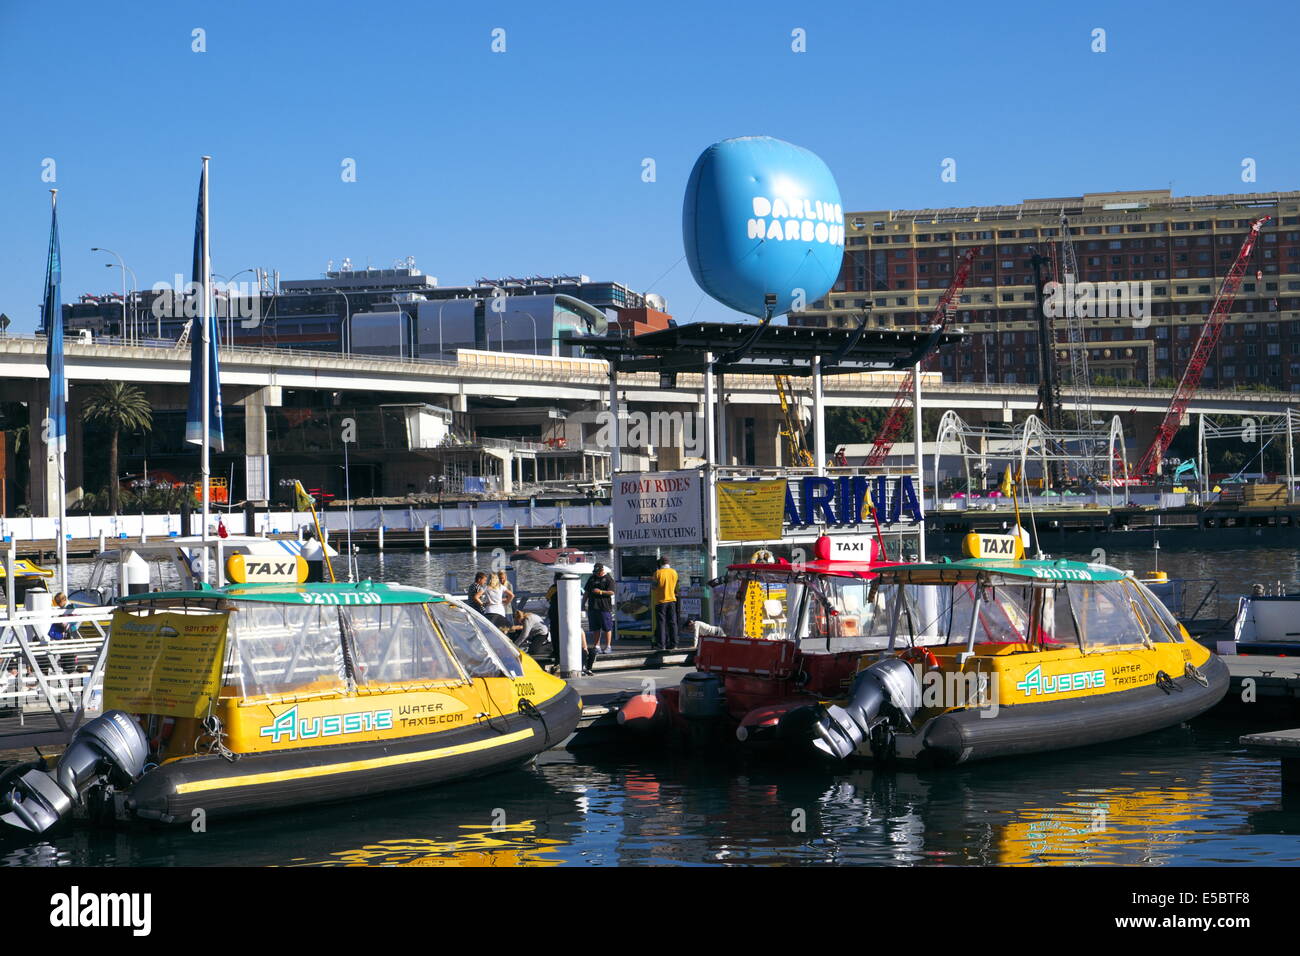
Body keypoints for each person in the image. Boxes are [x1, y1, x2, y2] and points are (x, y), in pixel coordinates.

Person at [583, 563, 616, 667]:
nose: (596, 573)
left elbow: (612, 592)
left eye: (598, 572)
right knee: (595, 628)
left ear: (602, 570)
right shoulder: (592, 578)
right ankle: (596, 645)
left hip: (604, 607)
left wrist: (600, 592)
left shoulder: (608, 579)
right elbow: (586, 592)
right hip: (593, 607)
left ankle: (608, 646)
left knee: (607, 627)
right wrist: (583, 603)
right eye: (595, 572)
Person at [650, 557, 679, 650]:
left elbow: (653, 587)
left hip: (660, 601)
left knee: (661, 623)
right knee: (672, 623)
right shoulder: (674, 572)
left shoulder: (657, 573)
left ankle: (661, 645)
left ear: (660, 563)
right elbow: (676, 587)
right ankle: (674, 644)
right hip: (672, 601)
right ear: (668, 562)